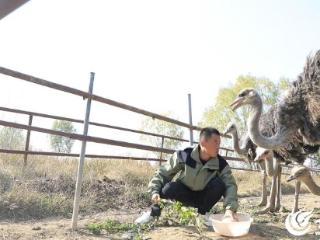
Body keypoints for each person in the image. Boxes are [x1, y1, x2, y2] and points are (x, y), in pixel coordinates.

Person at [135, 127, 239, 225]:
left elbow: (230, 185)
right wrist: (154, 191)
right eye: (215, 142)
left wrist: (229, 210)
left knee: (219, 185)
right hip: (184, 195)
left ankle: (202, 216)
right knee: (169, 188)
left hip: (203, 198)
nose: (218, 146)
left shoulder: (220, 163)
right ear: (203, 142)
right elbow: (163, 173)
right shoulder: (185, 155)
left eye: (219, 143)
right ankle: (153, 213)